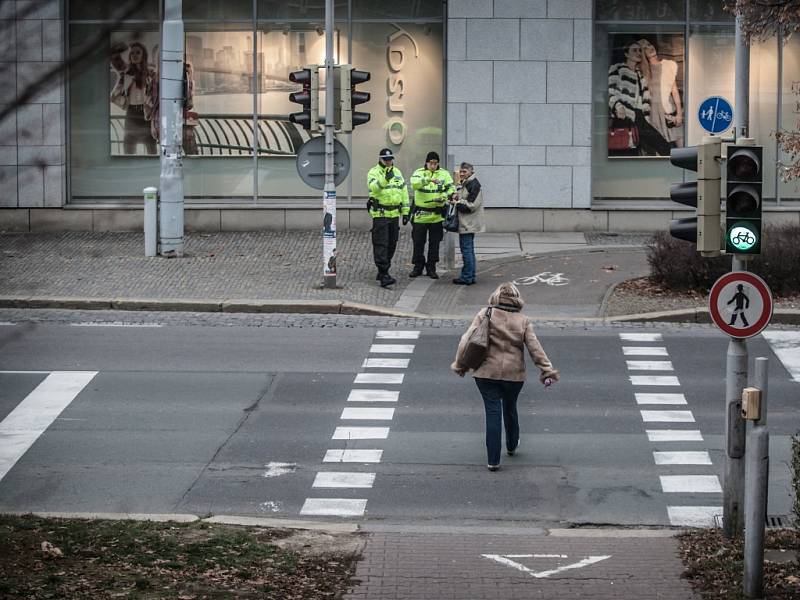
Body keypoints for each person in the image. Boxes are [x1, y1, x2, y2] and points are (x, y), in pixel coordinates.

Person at [452, 282, 559, 471]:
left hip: (486, 373)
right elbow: (535, 348)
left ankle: (493, 460)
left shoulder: (485, 314)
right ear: (517, 299)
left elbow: (465, 340)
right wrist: (547, 370)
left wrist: (461, 365)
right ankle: (511, 445)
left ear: (496, 296)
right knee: (510, 407)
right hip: (514, 375)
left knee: (492, 412)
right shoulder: (523, 320)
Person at [607, 41, 670, 157]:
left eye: (640, 50)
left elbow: (645, 99)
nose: (638, 53)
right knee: (625, 148)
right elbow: (609, 91)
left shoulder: (639, 74)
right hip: (624, 114)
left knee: (655, 145)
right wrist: (617, 106)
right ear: (626, 54)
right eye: (634, 50)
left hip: (639, 115)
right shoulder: (617, 68)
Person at [366, 148, 410, 288]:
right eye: (386, 159)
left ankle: (383, 270)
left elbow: (403, 192)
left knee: (392, 243)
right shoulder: (373, 172)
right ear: (380, 159)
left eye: (390, 159)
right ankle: (383, 273)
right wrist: (385, 179)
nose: (389, 161)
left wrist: (406, 211)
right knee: (381, 244)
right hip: (381, 214)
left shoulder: (397, 173)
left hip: (394, 214)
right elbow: (374, 188)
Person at [409, 151, 455, 279]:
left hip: (436, 216)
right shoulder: (419, 173)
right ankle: (418, 266)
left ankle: (431, 267)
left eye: (435, 163)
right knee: (418, 242)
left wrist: (444, 196)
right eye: (431, 163)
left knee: (434, 243)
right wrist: (428, 179)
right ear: (426, 162)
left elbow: (451, 188)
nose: (433, 166)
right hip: (420, 216)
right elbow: (415, 184)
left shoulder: (444, 174)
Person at [110, 41, 158, 155]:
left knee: (152, 151)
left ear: (143, 55)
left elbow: (157, 94)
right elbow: (113, 96)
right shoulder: (125, 75)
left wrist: (152, 104)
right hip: (131, 113)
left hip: (146, 114)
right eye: (132, 53)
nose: (135, 55)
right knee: (128, 150)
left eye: (138, 53)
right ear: (129, 56)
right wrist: (124, 103)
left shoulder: (150, 73)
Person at [637, 39, 684, 149]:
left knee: (681, 147)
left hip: (669, 112)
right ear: (643, 53)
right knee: (661, 150)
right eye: (645, 48)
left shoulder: (669, 65)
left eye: (649, 44)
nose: (650, 48)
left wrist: (679, 114)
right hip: (653, 116)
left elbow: (675, 91)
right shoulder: (643, 71)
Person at [449, 162, 485, 285]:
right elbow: (463, 198)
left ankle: (467, 277)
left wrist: (457, 203)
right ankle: (470, 275)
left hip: (468, 223)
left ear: (471, 172)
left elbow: (471, 206)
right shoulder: (466, 183)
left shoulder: (473, 184)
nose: (462, 174)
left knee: (466, 250)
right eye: (461, 171)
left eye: (465, 171)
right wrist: (454, 197)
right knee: (468, 250)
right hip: (467, 222)